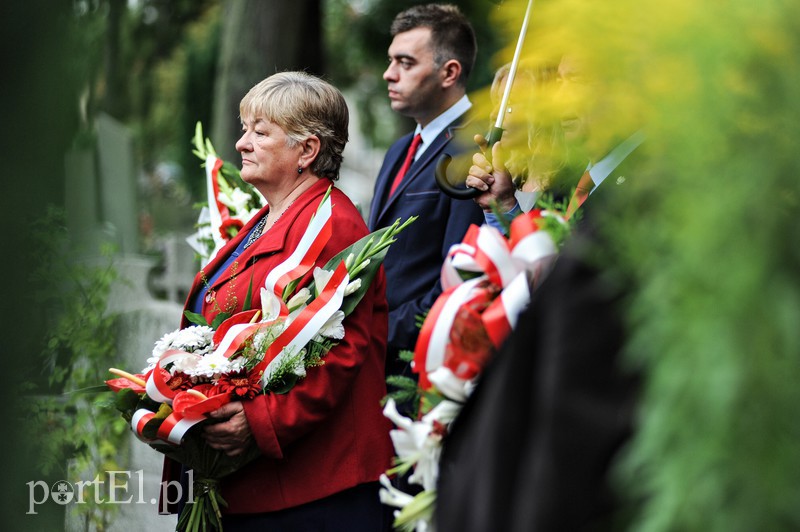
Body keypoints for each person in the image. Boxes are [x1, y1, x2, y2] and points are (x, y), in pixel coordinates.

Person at [163, 71, 393, 530]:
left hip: (311, 492)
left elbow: (340, 352)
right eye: (245, 129)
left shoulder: (334, 226)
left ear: (307, 151)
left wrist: (260, 419)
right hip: (255, 485)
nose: (242, 144)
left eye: (260, 132)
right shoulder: (265, 220)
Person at [435, 52, 644, 530]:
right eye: (561, 83)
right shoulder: (587, 179)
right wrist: (504, 206)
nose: (566, 100)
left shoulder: (627, 184)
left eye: (583, 80)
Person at [368, 4, 486, 380]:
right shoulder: (399, 149)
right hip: (377, 361)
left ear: (449, 72)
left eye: (405, 62)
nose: (389, 74)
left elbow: (459, 280)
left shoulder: (474, 150)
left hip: (421, 364)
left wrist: (376, 336)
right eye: (391, 61)